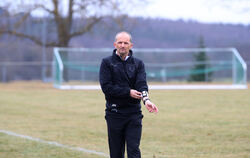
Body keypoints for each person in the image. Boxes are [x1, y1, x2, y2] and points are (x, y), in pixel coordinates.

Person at [99, 31, 158, 158]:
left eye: (126, 43)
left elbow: (142, 84)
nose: (122, 45)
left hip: (133, 114)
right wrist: (128, 92)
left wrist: (146, 100)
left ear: (131, 45)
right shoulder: (107, 63)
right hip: (114, 114)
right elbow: (107, 87)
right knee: (116, 153)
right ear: (115, 44)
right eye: (120, 42)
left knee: (134, 151)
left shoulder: (138, 64)